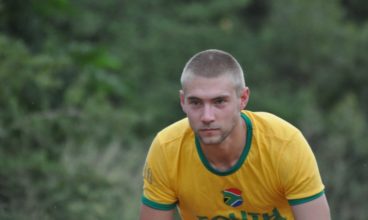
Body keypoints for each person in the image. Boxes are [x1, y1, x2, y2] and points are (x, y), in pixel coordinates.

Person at [139, 49, 331, 220]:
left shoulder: (284, 144)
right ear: (182, 101)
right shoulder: (167, 148)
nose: (207, 116)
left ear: (243, 98)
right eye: (196, 102)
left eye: (219, 101)